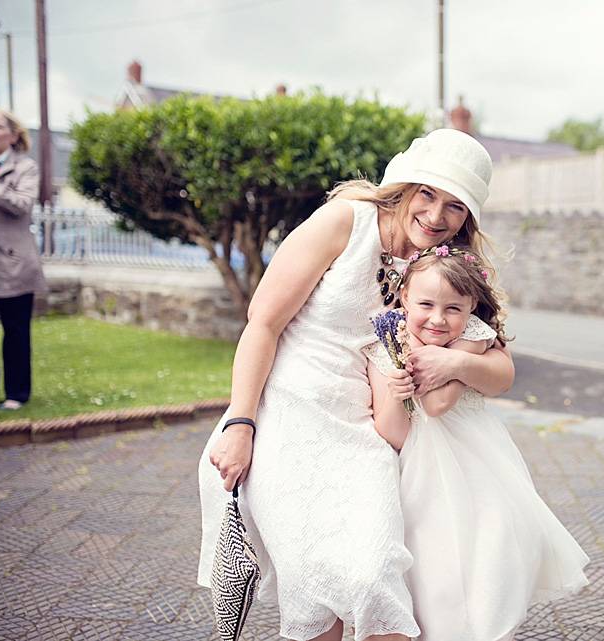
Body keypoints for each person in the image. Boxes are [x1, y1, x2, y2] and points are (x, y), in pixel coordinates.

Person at [197, 129, 515, 641]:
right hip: (290, 413)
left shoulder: (445, 263)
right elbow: (263, 324)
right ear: (404, 183)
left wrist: (451, 363)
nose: (436, 216)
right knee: (313, 587)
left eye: (456, 207)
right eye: (428, 193)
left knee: (371, 576)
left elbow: (496, 356)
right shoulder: (346, 220)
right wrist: (240, 421)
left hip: (366, 433)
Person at [365, 246, 590, 641]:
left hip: (476, 467)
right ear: (403, 297)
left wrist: (416, 354)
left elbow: (437, 404)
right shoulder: (381, 348)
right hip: (419, 473)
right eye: (425, 304)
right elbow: (392, 434)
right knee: (433, 570)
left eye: (453, 307)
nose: (438, 318)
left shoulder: (472, 336)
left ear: (472, 306)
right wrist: (397, 391)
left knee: (487, 555)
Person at [0, 108, 45, 411]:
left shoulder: (25, 168)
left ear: (14, 134)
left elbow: (21, 204)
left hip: (14, 264)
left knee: (15, 332)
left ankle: (17, 394)